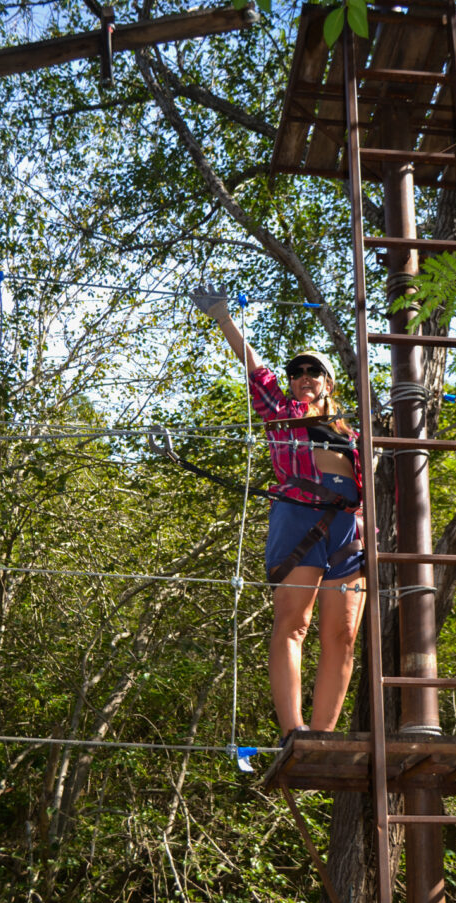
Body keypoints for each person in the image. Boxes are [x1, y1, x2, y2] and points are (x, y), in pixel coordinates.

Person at [190, 285, 366, 740]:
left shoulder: (354, 430)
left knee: (343, 633)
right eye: (297, 371)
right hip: (298, 514)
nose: (304, 375)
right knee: (295, 622)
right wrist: (225, 318)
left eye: (314, 371)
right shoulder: (282, 412)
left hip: (350, 528)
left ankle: (324, 735)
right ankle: (294, 730)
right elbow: (256, 371)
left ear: (329, 382)